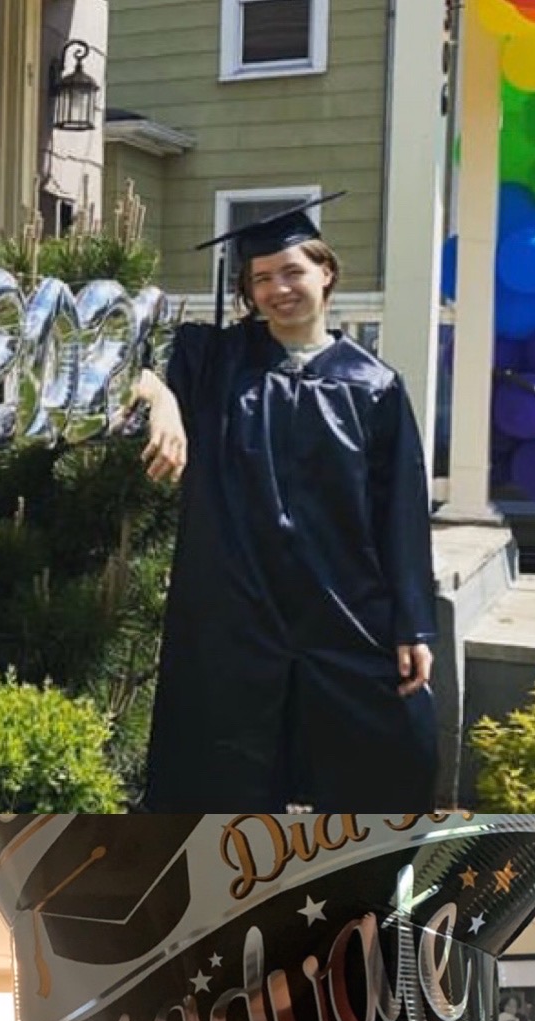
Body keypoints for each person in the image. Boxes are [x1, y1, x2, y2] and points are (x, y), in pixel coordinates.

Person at [134, 201, 439, 811]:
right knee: (220, 781)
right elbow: (122, 355)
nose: (279, 289)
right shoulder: (213, 361)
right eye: (262, 278)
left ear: (325, 271)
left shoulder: (373, 385)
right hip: (234, 610)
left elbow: (400, 512)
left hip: (341, 604)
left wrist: (413, 623)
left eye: (292, 271)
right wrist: (160, 396)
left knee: (385, 764)